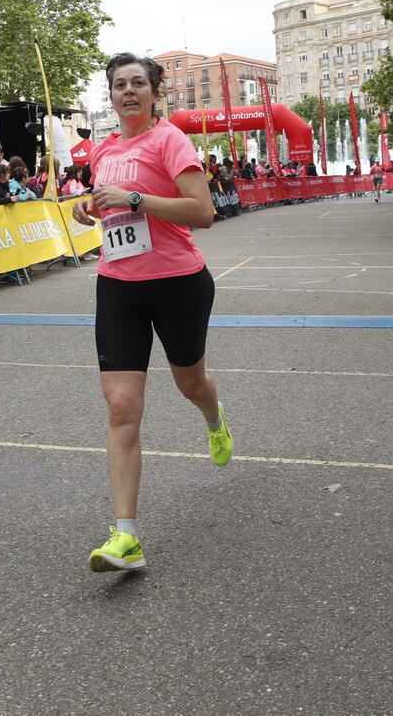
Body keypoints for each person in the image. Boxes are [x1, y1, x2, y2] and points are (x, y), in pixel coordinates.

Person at [71, 52, 232, 573]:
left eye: (138, 83)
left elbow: (203, 211)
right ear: (112, 96)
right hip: (118, 286)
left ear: (154, 92)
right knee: (121, 406)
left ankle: (213, 415)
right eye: (119, 85)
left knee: (191, 383)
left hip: (178, 283)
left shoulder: (171, 141)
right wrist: (90, 206)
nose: (128, 92)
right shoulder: (104, 148)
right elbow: (110, 205)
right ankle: (126, 537)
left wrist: (136, 198)